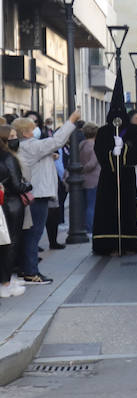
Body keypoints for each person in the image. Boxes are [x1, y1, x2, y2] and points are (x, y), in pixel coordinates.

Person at [92, 69, 137, 256]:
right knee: (108, 211)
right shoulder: (103, 132)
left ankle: (131, 243)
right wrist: (112, 155)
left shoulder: (136, 132)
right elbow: (100, 153)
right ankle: (109, 244)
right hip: (109, 179)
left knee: (129, 209)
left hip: (128, 178)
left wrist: (125, 152)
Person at [14, 110, 78, 284]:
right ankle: (30, 272)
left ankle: (26, 269)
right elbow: (57, 140)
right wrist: (71, 121)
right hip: (38, 194)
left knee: (29, 234)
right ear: (26, 132)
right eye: (32, 128)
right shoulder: (31, 145)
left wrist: (50, 155)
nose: (36, 130)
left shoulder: (25, 146)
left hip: (33, 194)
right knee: (34, 234)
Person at [0, 127, 29, 298]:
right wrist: (28, 186)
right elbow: (17, 185)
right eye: (11, 136)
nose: (15, 139)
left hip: (4, 202)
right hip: (11, 204)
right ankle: (6, 283)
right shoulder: (9, 157)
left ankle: (7, 280)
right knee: (10, 244)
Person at [76, 124, 99, 234]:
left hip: (83, 179)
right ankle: (91, 228)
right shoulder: (93, 145)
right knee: (92, 205)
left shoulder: (81, 144)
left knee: (86, 205)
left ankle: (85, 226)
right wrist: (83, 169)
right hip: (93, 178)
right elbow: (93, 163)